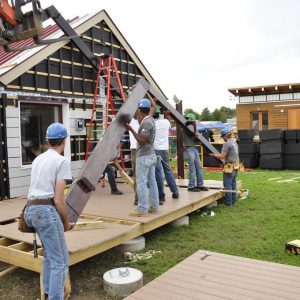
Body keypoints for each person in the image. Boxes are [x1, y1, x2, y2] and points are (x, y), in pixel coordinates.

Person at [24, 123, 72, 300]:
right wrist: (66, 222)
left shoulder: (38, 159)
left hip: (30, 211)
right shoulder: (61, 161)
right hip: (45, 211)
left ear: (48, 141)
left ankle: (47, 293)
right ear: (64, 141)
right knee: (61, 261)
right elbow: (59, 199)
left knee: (50, 256)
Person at [125, 98, 159, 216]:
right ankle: (154, 207)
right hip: (151, 155)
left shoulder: (146, 123)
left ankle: (142, 209)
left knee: (141, 183)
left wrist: (131, 129)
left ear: (139, 110)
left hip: (144, 156)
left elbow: (142, 139)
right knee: (152, 182)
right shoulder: (150, 119)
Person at [153, 106, 179, 204]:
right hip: (165, 150)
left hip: (156, 150)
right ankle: (175, 191)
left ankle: (161, 196)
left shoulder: (152, 123)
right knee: (168, 171)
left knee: (158, 173)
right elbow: (167, 121)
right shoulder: (166, 122)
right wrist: (167, 114)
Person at [209, 128, 239, 206]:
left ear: (225, 136)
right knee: (233, 183)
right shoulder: (234, 143)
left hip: (230, 166)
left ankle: (228, 203)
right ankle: (233, 201)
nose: (223, 139)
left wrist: (214, 155)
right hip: (236, 165)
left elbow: (222, 156)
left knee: (227, 184)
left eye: (223, 137)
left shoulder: (227, 144)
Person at [182, 113, 208, 192]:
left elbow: (192, 137)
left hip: (193, 148)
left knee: (199, 167)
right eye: (193, 121)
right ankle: (191, 186)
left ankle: (200, 185)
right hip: (189, 149)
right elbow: (191, 134)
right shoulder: (187, 127)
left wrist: (196, 138)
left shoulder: (189, 128)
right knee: (192, 169)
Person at [128, 113, 140, 204]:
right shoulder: (131, 120)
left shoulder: (145, 120)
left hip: (143, 149)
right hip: (135, 150)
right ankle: (137, 198)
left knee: (147, 176)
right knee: (136, 175)